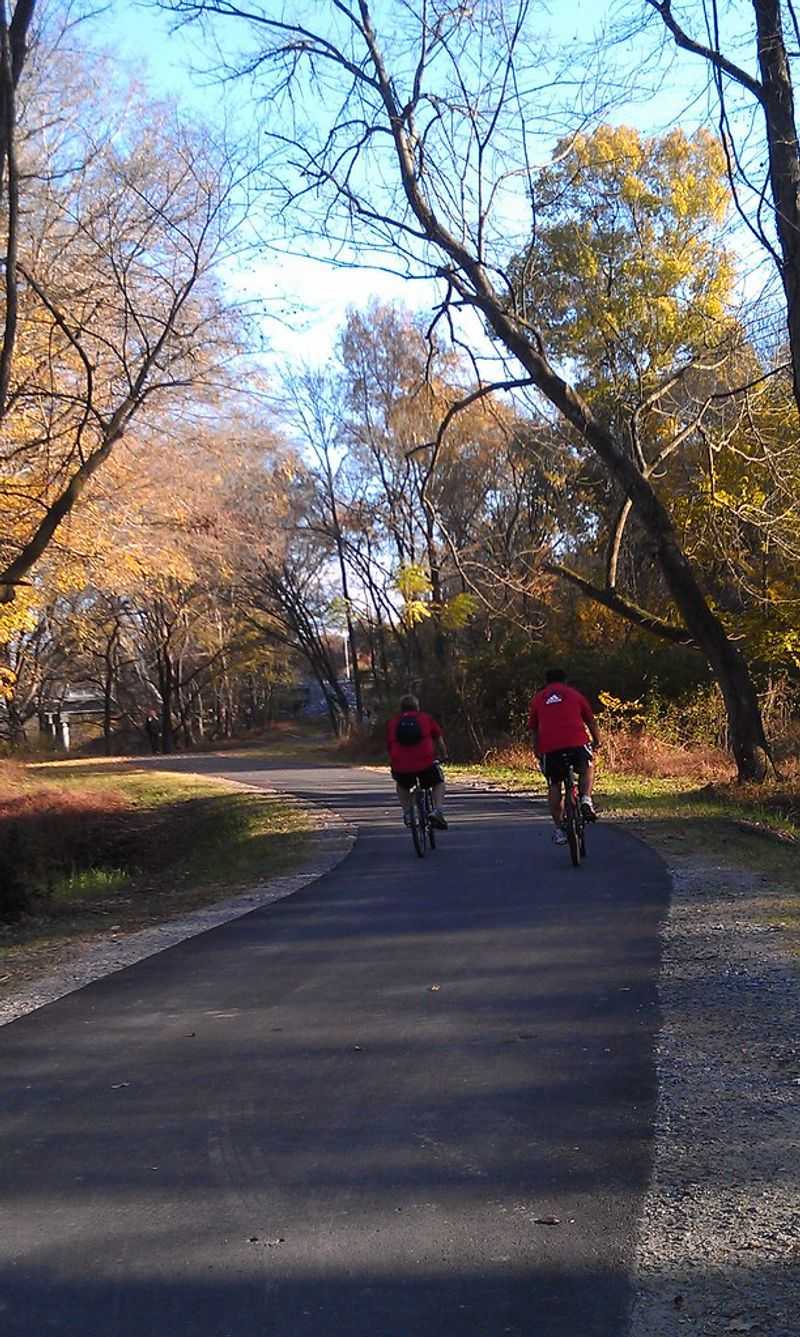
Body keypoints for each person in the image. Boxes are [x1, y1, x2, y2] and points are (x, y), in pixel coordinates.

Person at [527, 668, 601, 845]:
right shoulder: (574, 695)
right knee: (588, 766)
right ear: (565, 680)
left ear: (547, 682)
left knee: (554, 783)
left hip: (550, 749)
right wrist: (597, 741)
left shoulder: (538, 699)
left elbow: (534, 730)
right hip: (576, 744)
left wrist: (537, 750)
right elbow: (590, 720)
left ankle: (560, 828)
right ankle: (585, 799)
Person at [386, 693, 448, 830]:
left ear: (401, 708)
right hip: (425, 763)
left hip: (401, 765)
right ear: (417, 707)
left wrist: (394, 761)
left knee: (402, 785)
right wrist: (444, 755)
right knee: (438, 782)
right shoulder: (426, 718)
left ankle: (407, 812)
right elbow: (438, 739)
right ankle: (437, 810)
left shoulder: (393, 722)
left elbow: (390, 745)